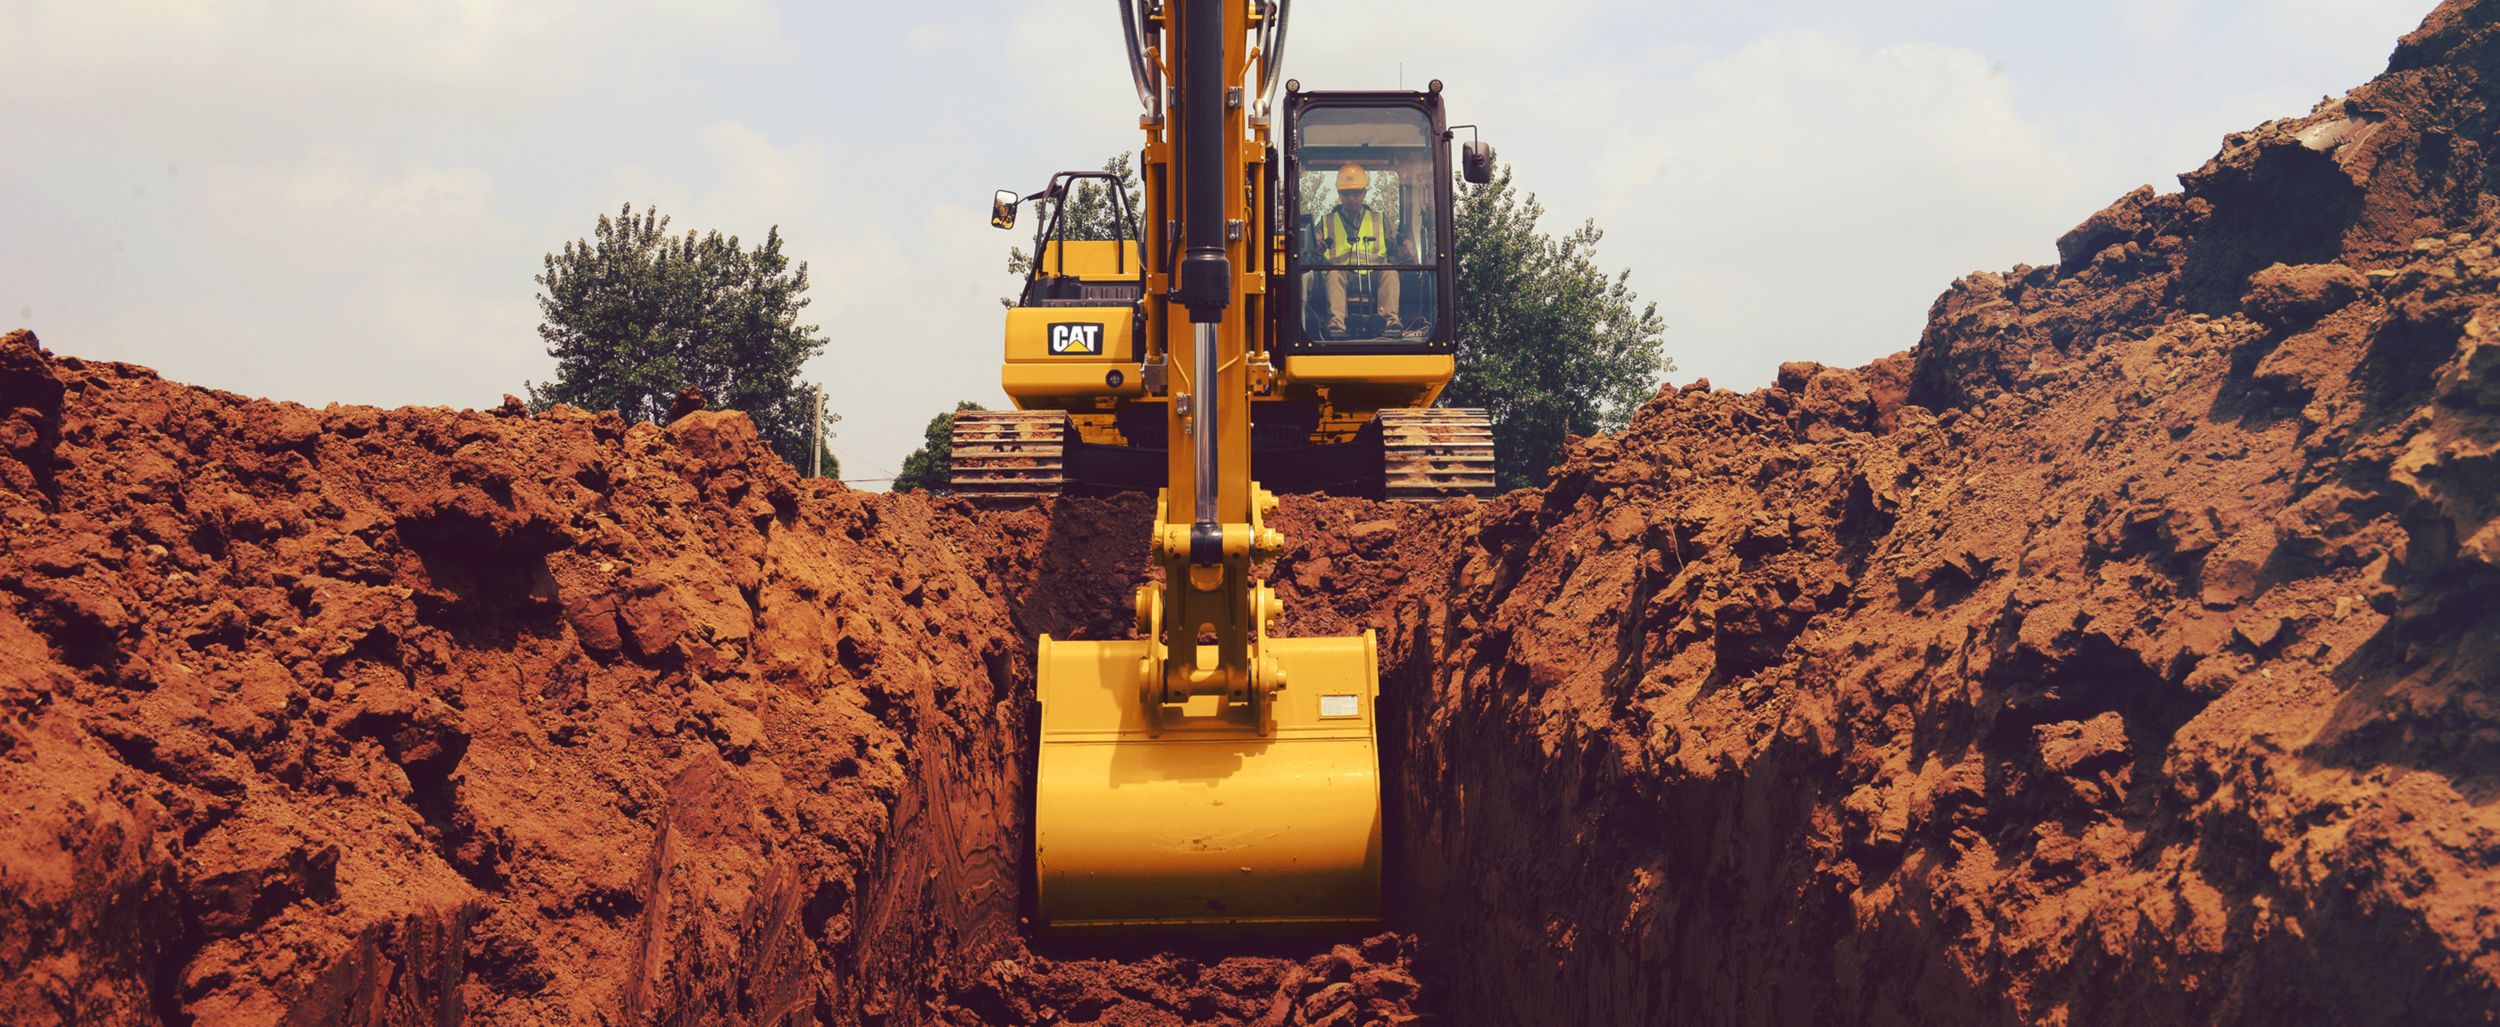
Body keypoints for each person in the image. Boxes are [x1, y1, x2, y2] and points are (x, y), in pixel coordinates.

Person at [1318, 162, 1402, 339]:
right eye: (1346, 193)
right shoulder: (1326, 222)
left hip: (1374, 275)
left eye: (1356, 193)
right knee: (1334, 274)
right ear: (1339, 194)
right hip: (1342, 277)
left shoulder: (1380, 220)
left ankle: (1390, 322)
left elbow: (1396, 251)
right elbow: (1309, 254)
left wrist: (1406, 251)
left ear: (1364, 192)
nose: (1351, 198)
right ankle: (1336, 326)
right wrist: (1315, 248)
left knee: (1390, 271)